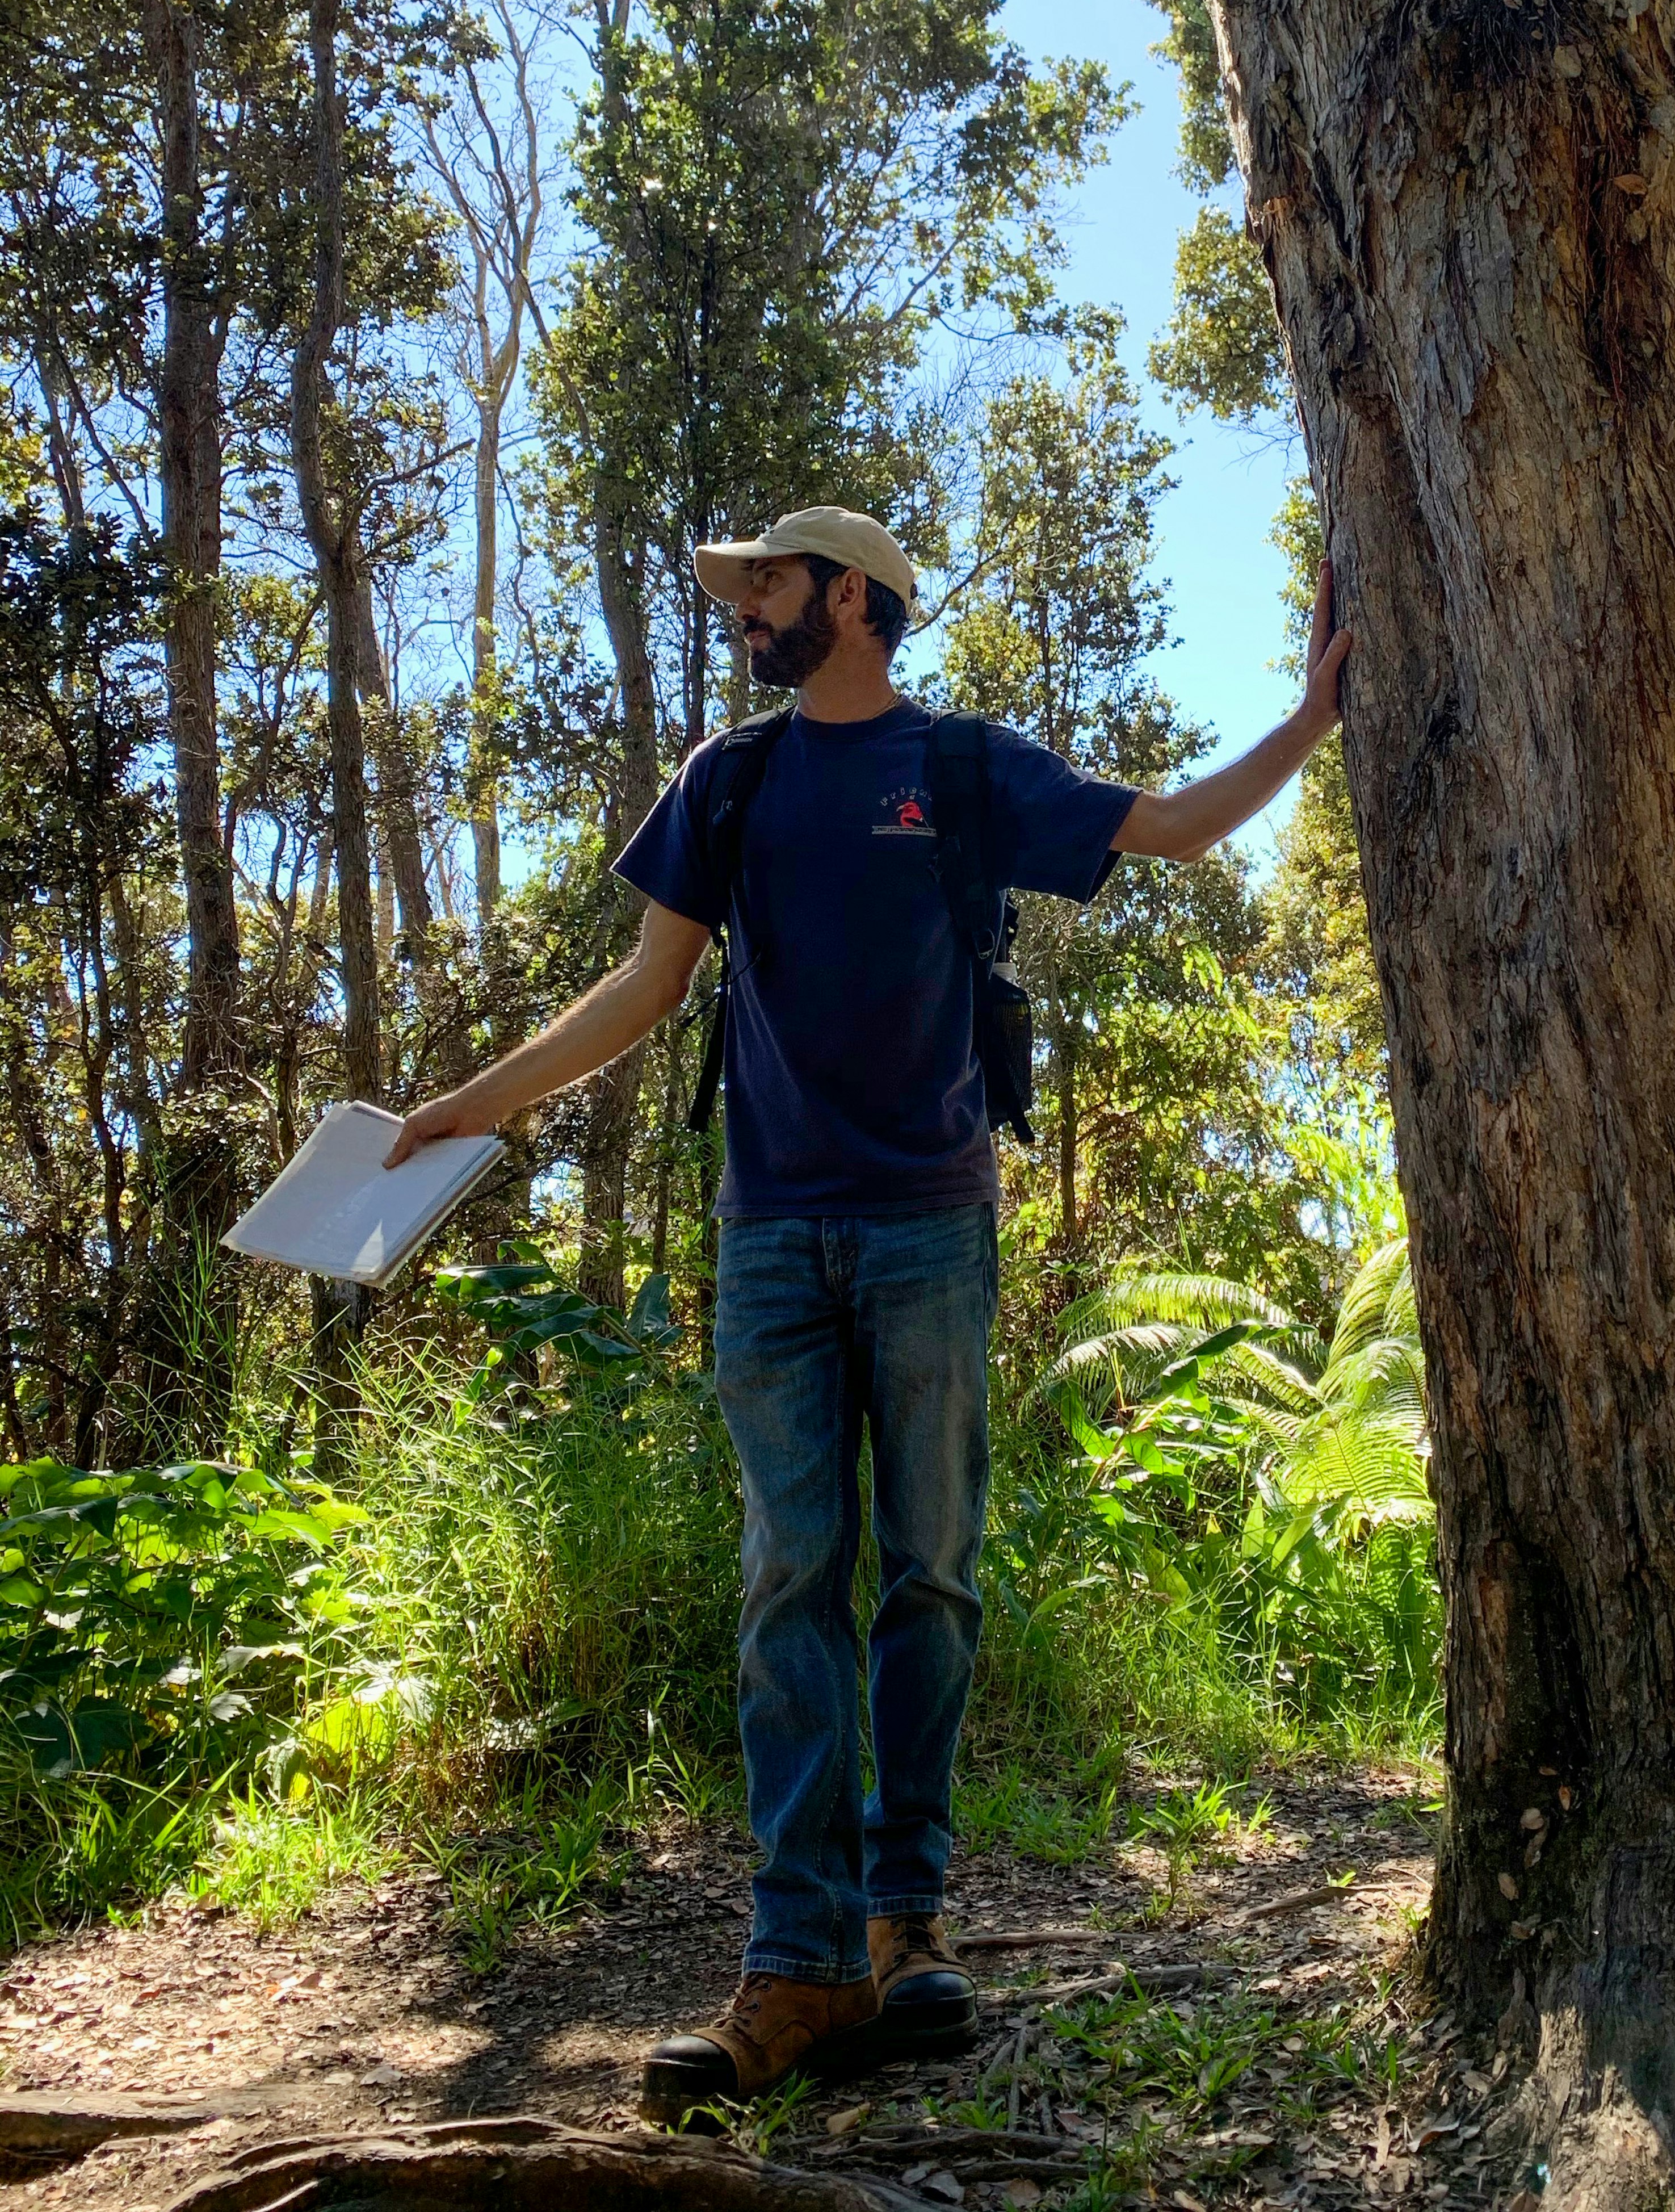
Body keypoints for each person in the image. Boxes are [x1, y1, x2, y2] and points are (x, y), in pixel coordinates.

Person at [389, 504, 1351, 2113]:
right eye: (745, 584)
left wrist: (1314, 718)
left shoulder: (968, 766)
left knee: (930, 1578)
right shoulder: (727, 779)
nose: (745, 605)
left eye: (768, 582)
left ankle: (908, 1928)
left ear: (852, 599)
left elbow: (1171, 827)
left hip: (929, 1230)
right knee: (789, 1586)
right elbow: (645, 989)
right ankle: (797, 1961)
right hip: (770, 1234)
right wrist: (475, 1107)